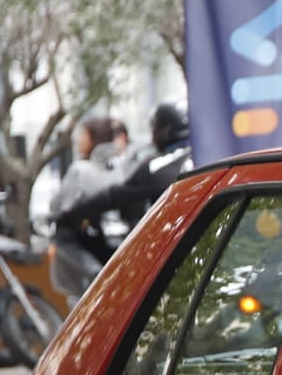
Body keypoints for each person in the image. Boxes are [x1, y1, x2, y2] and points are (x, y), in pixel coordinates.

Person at [51, 104, 190, 299]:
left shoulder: (157, 166)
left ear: (165, 131)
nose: (152, 137)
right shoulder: (202, 155)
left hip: (170, 252)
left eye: (155, 130)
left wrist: (67, 215)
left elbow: (113, 196)